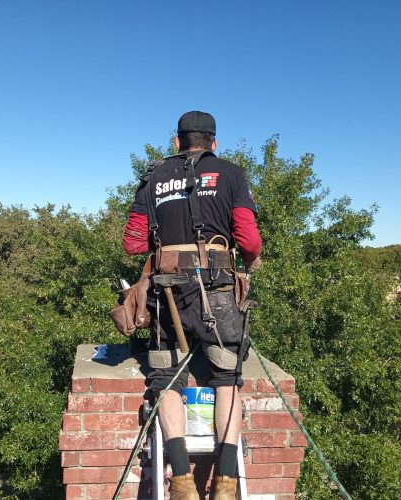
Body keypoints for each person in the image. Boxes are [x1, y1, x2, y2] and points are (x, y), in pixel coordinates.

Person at [123, 111, 261, 499]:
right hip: (217, 292)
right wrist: (248, 262)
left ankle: (181, 481)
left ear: (177, 142)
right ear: (213, 142)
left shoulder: (153, 177)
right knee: (227, 381)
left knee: (165, 380)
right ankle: (226, 482)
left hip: (168, 295)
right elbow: (248, 239)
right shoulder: (231, 173)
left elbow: (133, 242)